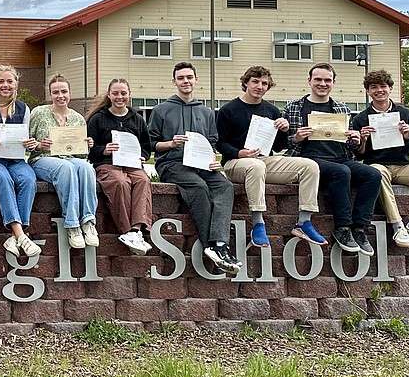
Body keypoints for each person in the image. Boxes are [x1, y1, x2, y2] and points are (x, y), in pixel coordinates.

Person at [216, 65, 324, 249]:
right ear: (246, 83)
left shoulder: (272, 111)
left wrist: (283, 130)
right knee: (256, 167)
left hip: (264, 160)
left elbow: (279, 147)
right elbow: (219, 143)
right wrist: (238, 153)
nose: (260, 86)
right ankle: (258, 224)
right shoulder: (228, 110)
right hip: (235, 163)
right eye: (255, 82)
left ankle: (304, 222)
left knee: (310, 166)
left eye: (264, 83)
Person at [148, 62, 241, 274]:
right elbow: (151, 144)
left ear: (196, 80)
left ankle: (218, 245)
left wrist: (214, 160)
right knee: (198, 187)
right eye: (181, 78)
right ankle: (211, 246)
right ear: (174, 82)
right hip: (172, 164)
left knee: (225, 186)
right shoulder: (161, 110)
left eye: (189, 77)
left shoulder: (206, 112)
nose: (185, 81)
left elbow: (212, 142)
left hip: (202, 165)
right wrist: (170, 143)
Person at [284, 63, 381, 256]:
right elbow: (282, 143)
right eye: (318, 79)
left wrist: (356, 139)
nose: (322, 83)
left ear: (333, 83)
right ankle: (342, 228)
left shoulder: (341, 108)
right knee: (341, 173)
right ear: (309, 81)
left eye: (327, 80)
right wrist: (295, 138)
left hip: (341, 157)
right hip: (308, 159)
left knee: (373, 174)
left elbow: (351, 146)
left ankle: (359, 229)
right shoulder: (294, 107)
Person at [352, 68, 409, 251]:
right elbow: (357, 156)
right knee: (377, 172)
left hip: (403, 166)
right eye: (373, 87)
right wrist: (363, 140)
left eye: (383, 86)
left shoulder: (406, 114)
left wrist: (408, 137)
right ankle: (398, 226)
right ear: (368, 91)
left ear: (390, 88)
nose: (379, 90)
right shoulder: (360, 118)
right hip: (376, 165)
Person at [0, 65, 40, 259]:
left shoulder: (23, 108)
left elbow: (26, 142)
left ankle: (14, 236)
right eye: (1, 81)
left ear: (16, 84)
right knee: (3, 179)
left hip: (17, 160)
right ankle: (21, 234)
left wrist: (31, 144)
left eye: (9, 81)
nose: (5, 85)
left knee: (28, 179)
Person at [29, 75, 98, 249]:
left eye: (64, 91)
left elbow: (81, 157)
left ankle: (88, 222)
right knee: (65, 168)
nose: (60, 95)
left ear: (70, 93)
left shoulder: (78, 118)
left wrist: (86, 145)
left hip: (70, 159)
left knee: (87, 169)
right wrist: (38, 145)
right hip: (42, 160)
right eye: (56, 92)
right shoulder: (38, 113)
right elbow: (26, 143)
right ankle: (72, 224)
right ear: (50, 94)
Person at [86, 78, 155, 254]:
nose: (119, 97)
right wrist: (104, 150)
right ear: (109, 95)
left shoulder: (137, 119)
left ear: (129, 95)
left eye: (123, 93)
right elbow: (89, 150)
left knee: (142, 180)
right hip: (107, 164)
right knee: (120, 182)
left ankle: (137, 230)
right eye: (115, 93)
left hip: (132, 164)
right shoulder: (97, 119)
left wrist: (143, 157)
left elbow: (146, 146)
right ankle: (126, 230)